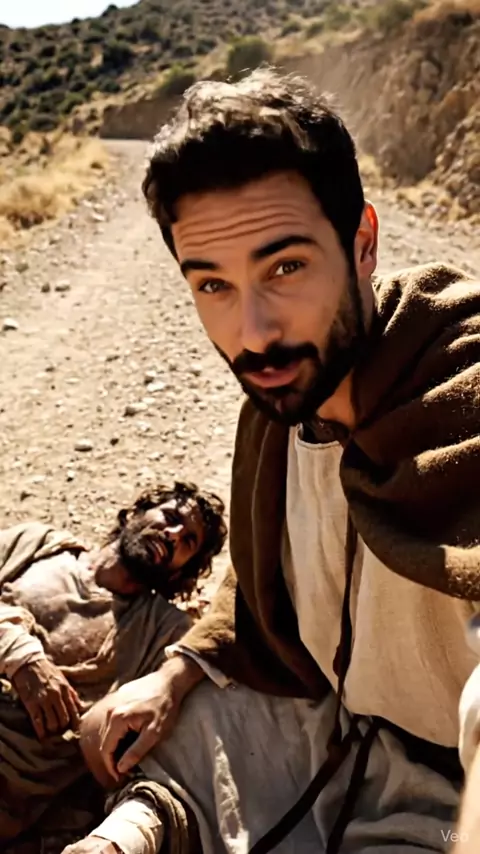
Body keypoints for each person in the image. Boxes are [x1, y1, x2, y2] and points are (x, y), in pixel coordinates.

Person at [77, 68, 480, 854]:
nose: (253, 333)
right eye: (213, 285)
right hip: (328, 730)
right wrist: (177, 671)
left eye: (285, 267)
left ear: (362, 243)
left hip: (449, 790)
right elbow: (263, 586)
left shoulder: (458, 385)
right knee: (148, 727)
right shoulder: (280, 411)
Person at [0, 479, 227, 850]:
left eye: (188, 542)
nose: (172, 535)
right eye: (171, 517)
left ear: (182, 570)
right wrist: (20, 655)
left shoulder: (164, 632)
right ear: (137, 512)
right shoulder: (38, 545)